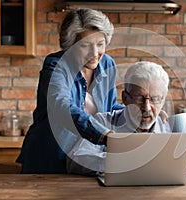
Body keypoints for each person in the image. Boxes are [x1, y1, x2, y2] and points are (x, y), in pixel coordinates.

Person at [16, 8, 125, 173]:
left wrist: (139, 112)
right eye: (85, 45)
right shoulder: (55, 65)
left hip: (87, 160)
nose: (95, 53)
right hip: (51, 161)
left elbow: (110, 108)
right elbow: (61, 106)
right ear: (70, 45)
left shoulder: (107, 64)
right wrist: (102, 135)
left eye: (100, 44)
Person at [67, 61, 186, 175]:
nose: (147, 107)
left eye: (155, 99)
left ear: (163, 100)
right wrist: (123, 162)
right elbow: (75, 160)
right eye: (139, 98)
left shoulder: (173, 128)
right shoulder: (103, 122)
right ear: (125, 98)